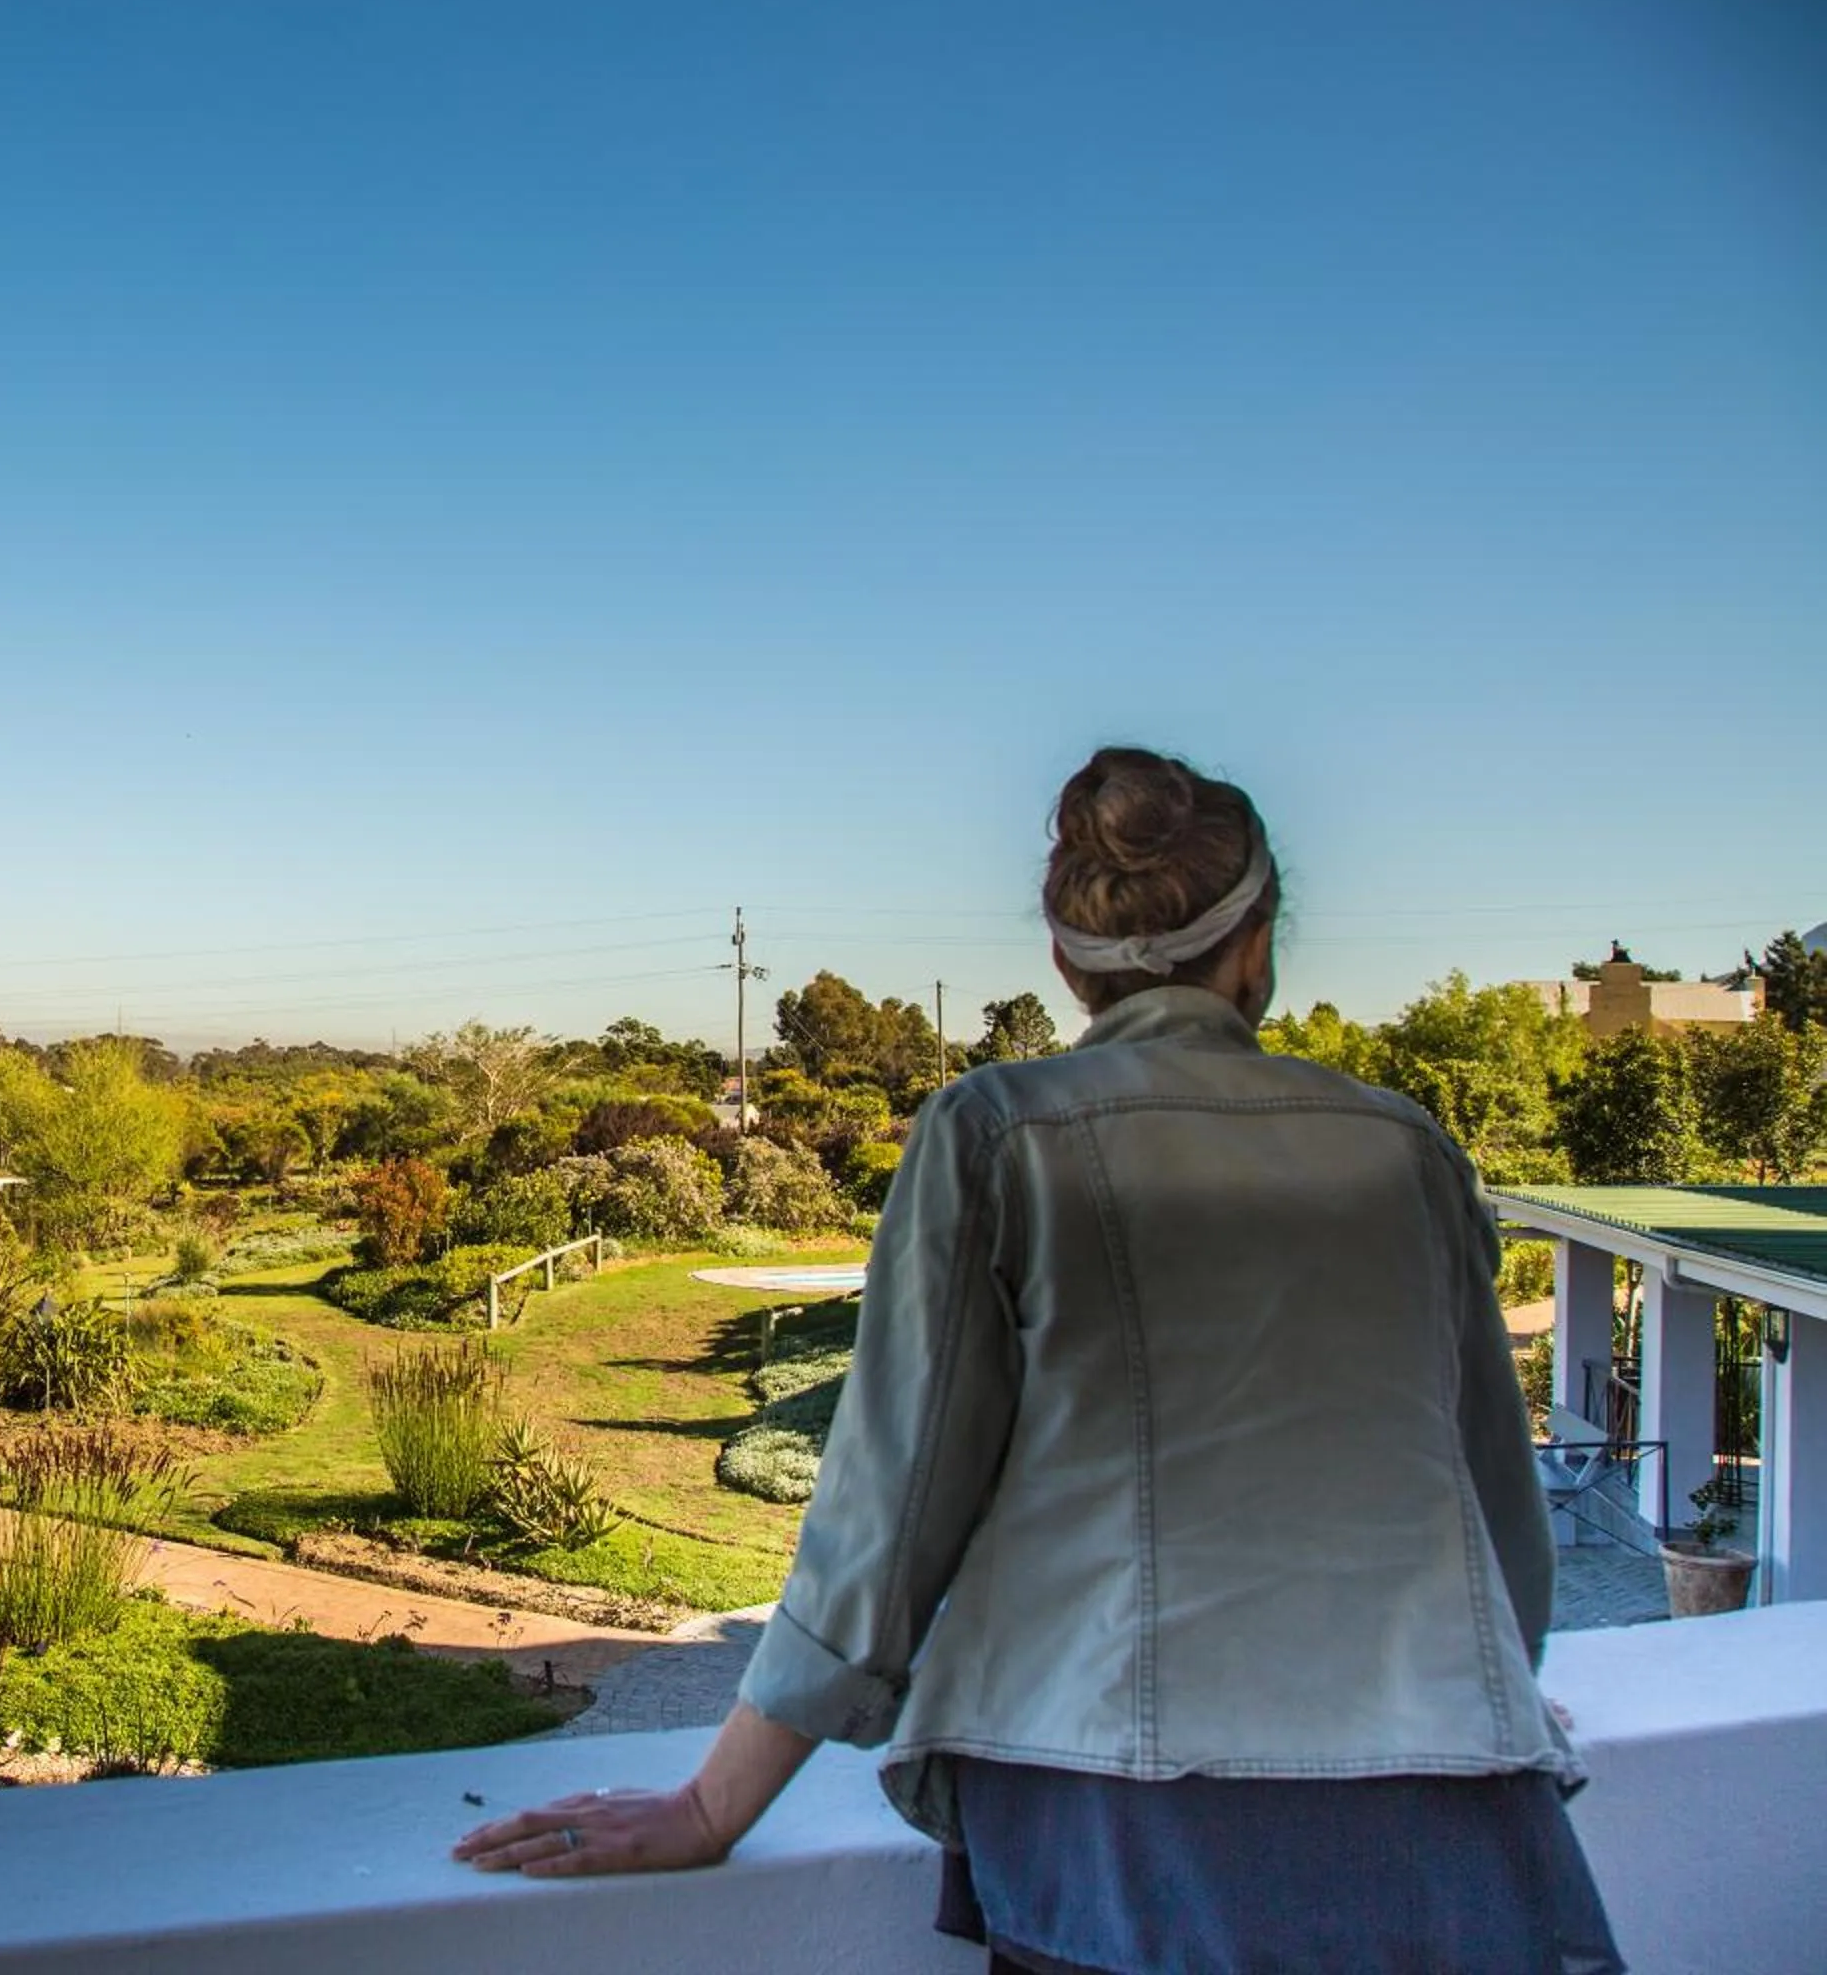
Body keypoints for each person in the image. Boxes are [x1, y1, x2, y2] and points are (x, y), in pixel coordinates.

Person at [454, 747, 1621, 1974]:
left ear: (1067, 962)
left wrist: (711, 1805)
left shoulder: (1000, 1131)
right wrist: (1484, 1694)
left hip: (1112, 1820)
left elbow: (888, 1517)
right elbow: (1498, 1510)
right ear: (1257, 946)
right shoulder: (1407, 1149)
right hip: (1445, 1818)